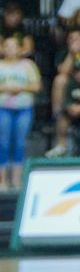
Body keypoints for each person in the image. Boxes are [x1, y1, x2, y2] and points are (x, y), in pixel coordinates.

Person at [0, 37, 40, 188]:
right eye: (7, 46)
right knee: (3, 143)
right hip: (3, 108)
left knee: (19, 143)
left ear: (19, 49)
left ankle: (17, 180)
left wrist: (20, 88)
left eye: (14, 46)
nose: (11, 49)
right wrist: (7, 88)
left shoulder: (28, 66)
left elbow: (36, 86)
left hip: (23, 108)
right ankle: (3, 180)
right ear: (3, 48)